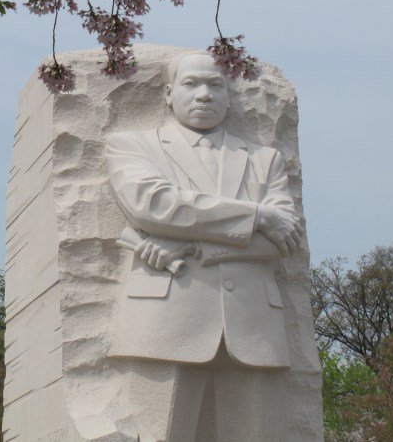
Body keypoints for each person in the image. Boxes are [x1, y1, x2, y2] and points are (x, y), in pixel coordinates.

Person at [105, 50, 304, 442]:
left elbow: (284, 240)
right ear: (167, 93)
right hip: (165, 320)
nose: (203, 95)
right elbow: (155, 205)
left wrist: (194, 244)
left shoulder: (266, 160)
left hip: (255, 328)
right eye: (191, 83)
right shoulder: (132, 146)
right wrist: (256, 216)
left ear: (230, 97)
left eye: (216, 85)